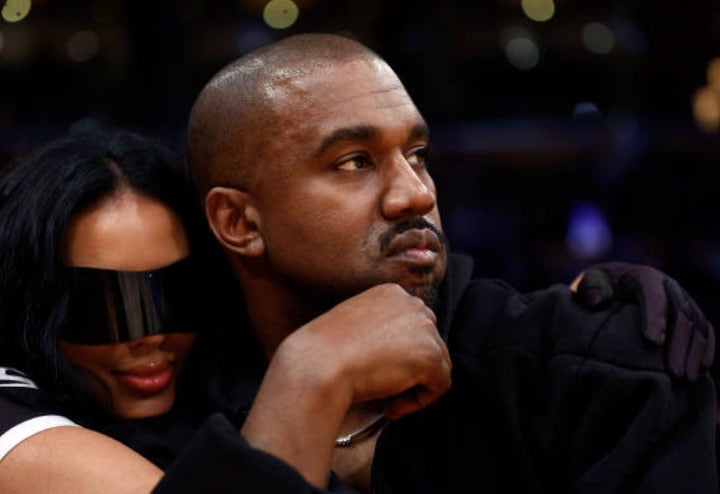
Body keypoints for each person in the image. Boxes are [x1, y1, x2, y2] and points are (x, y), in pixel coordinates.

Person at [155, 32, 717, 493]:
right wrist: (309, 375)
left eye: (417, 155)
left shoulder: (587, 370)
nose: (417, 194)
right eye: (354, 162)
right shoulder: (167, 410)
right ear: (240, 222)